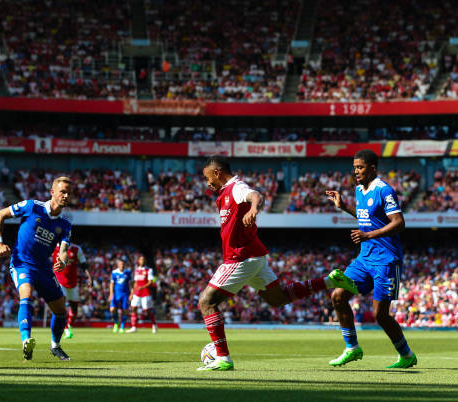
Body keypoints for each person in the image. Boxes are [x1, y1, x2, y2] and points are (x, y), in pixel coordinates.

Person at [197, 156, 357, 371]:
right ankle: (329, 281)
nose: (207, 183)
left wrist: (254, 208)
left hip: (241, 256)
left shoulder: (236, 187)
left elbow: (255, 195)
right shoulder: (223, 193)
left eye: (208, 177)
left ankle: (223, 358)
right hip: (254, 256)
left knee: (206, 301)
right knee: (277, 298)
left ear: (217, 173)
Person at [325, 149, 417, 368]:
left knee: (380, 315)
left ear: (372, 168)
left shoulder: (384, 190)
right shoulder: (359, 190)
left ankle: (406, 355)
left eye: (360, 167)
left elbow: (398, 222)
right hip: (364, 258)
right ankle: (352, 348)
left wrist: (368, 235)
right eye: (355, 167)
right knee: (338, 296)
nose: (356, 171)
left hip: (386, 259)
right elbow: (367, 216)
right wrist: (344, 207)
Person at [0, 176, 73, 362]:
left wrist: (62, 260)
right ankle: (26, 341)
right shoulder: (31, 207)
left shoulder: (65, 224)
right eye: (62, 191)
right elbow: (0, 215)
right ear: (52, 192)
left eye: (69, 193)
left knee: (61, 310)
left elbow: (63, 250)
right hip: (22, 262)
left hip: (44, 268)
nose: (66, 195)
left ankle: (55, 346)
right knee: (26, 294)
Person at [52, 242, 92, 339]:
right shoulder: (52, 246)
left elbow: (83, 264)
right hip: (59, 281)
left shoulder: (76, 249)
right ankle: (65, 329)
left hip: (73, 283)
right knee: (62, 306)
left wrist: (89, 276)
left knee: (74, 310)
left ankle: (68, 326)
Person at [127, 255, 158, 333]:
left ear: (145, 261)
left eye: (143, 260)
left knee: (147, 310)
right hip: (137, 293)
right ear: (138, 261)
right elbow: (136, 283)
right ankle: (134, 327)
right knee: (133, 308)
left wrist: (142, 287)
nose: (142, 261)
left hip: (146, 293)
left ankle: (154, 325)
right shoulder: (136, 270)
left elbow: (150, 282)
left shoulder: (149, 270)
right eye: (141, 260)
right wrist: (131, 293)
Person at [109, 259, 132, 333]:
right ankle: (116, 323)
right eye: (120, 264)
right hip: (116, 294)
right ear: (118, 265)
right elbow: (111, 284)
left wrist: (131, 293)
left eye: (123, 264)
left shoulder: (128, 272)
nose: (122, 266)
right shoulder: (114, 272)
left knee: (124, 310)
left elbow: (131, 283)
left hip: (125, 294)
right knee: (112, 309)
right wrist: (111, 294)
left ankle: (122, 326)